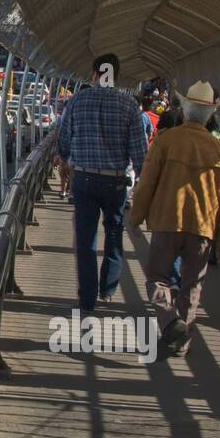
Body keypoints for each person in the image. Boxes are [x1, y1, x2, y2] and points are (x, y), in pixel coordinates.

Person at [127, 81, 220, 357]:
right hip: (203, 227)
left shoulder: (166, 142)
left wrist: (136, 218)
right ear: (210, 115)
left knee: (157, 279)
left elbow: (147, 183)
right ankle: (182, 341)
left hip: (167, 222)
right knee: (192, 286)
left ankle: (168, 320)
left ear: (184, 111)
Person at [56, 53, 148, 311]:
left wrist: (64, 159)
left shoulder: (78, 101)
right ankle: (108, 287)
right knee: (115, 231)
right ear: (116, 76)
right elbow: (140, 153)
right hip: (115, 182)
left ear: (95, 75)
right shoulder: (129, 105)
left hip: (83, 178)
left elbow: (64, 140)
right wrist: (141, 180)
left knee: (86, 239)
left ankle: (87, 298)